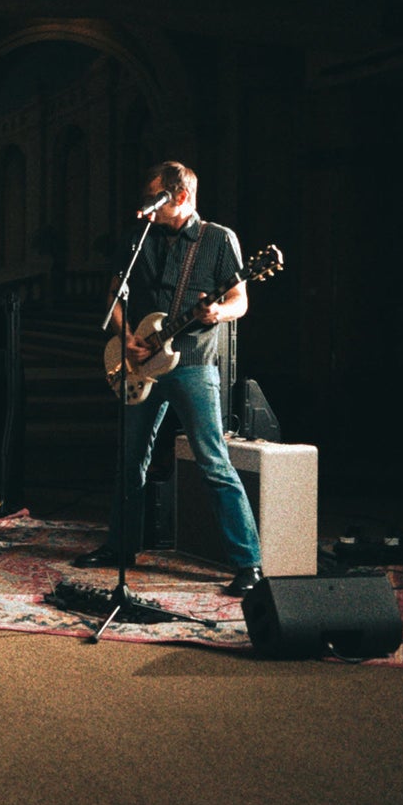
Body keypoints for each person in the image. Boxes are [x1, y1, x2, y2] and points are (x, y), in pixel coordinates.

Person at [75, 160, 263, 596]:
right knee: (129, 461)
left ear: (181, 196)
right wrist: (126, 337)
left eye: (155, 198)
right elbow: (114, 296)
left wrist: (218, 312)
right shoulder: (138, 238)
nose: (148, 205)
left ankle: (248, 563)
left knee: (213, 462)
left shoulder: (218, 239)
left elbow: (240, 301)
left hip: (194, 364)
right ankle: (121, 546)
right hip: (142, 364)